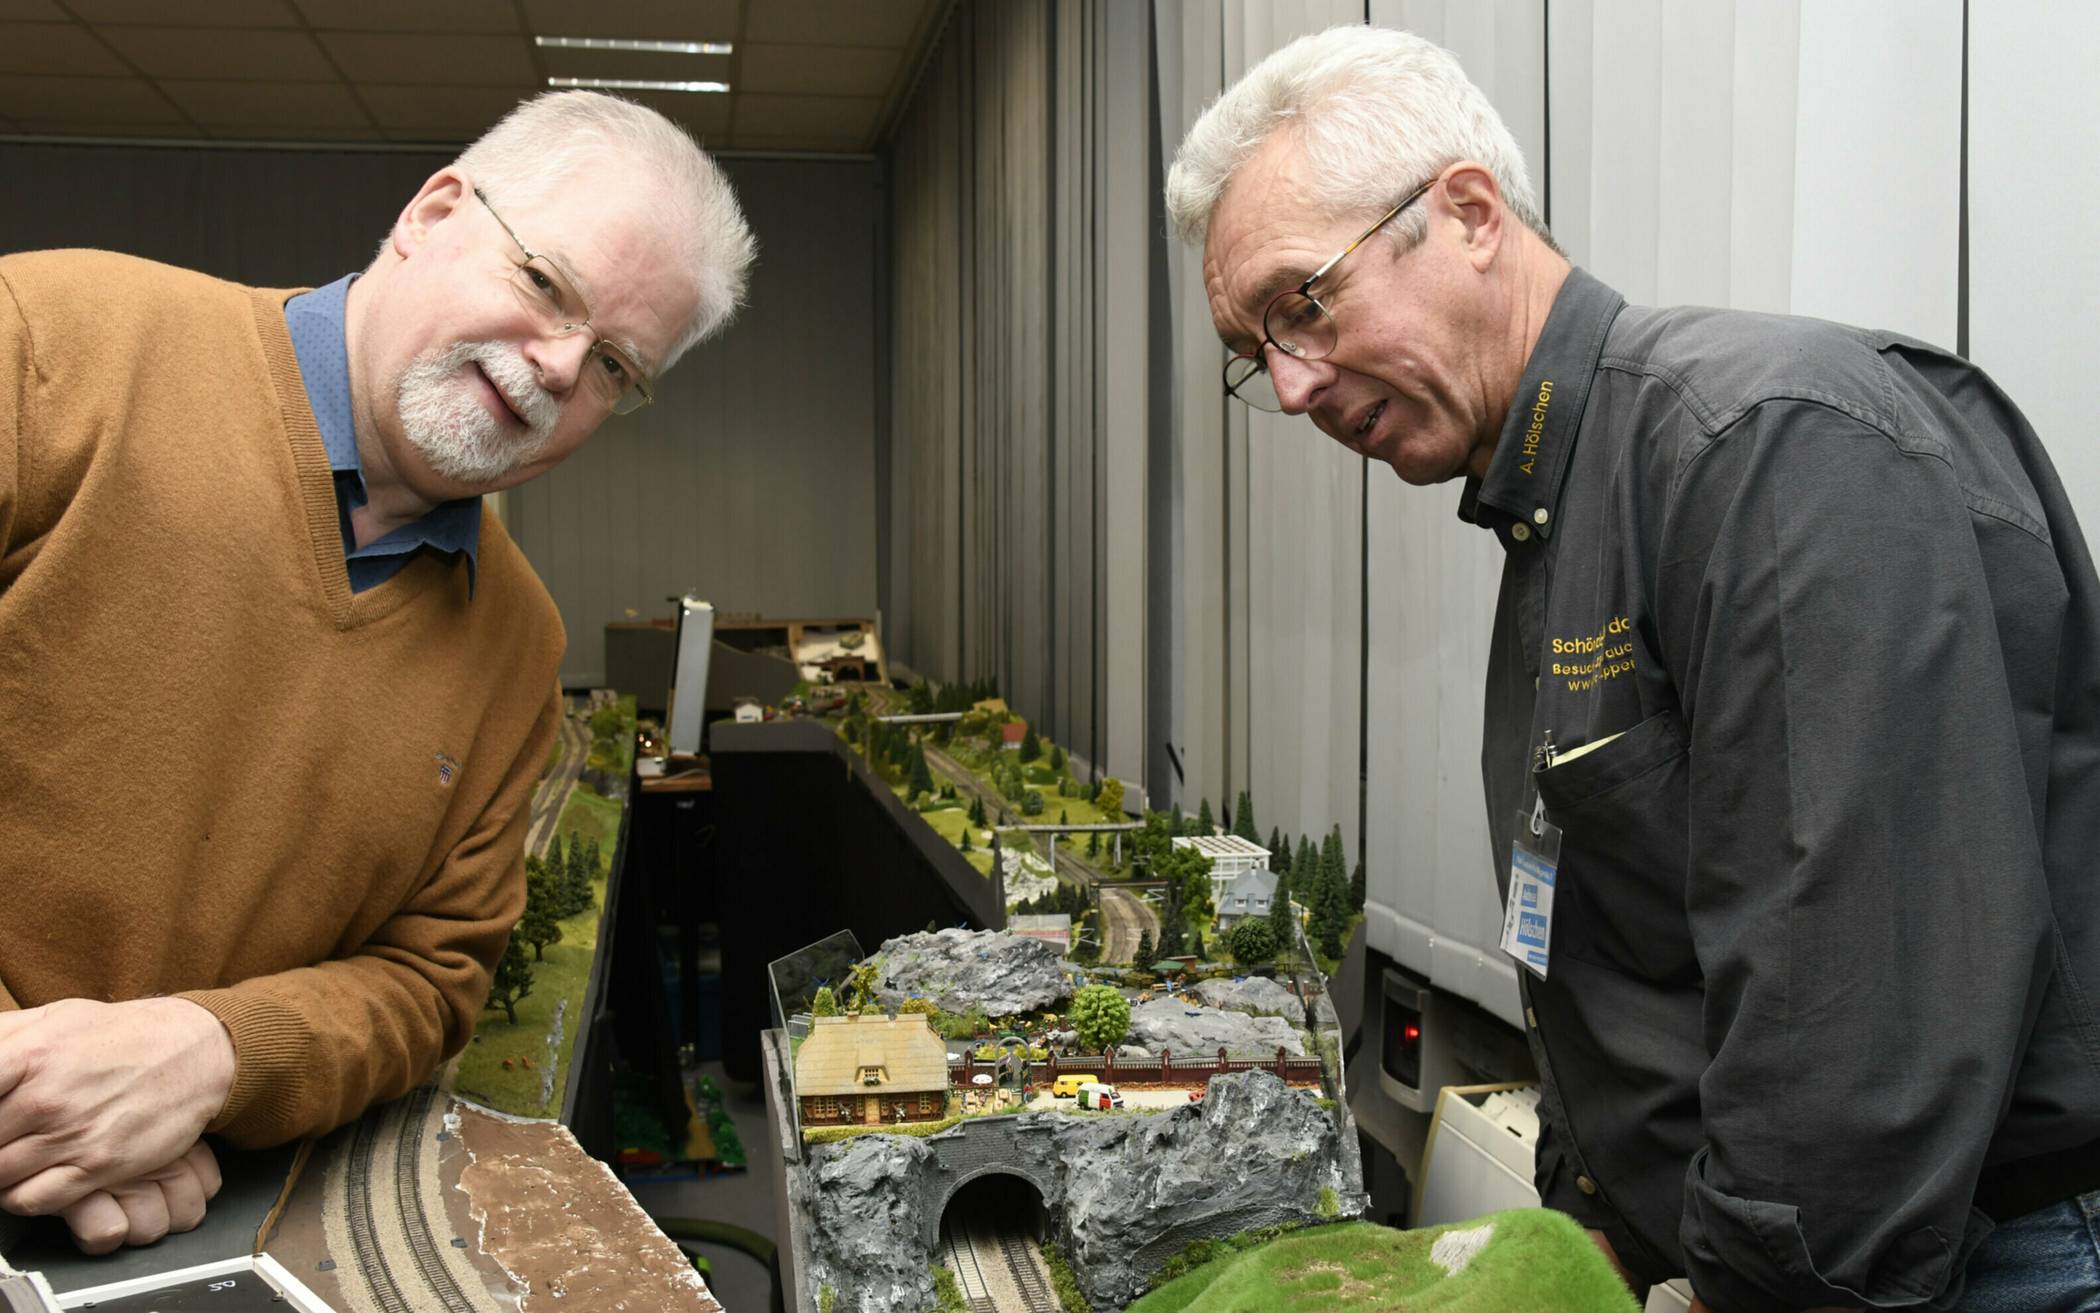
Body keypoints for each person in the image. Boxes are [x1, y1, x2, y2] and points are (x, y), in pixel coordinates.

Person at [1167, 25, 2100, 1313]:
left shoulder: (1764, 446)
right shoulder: (1563, 504)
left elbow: (1855, 1023)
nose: (1290, 385)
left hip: (1940, 1269)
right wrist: (1592, 1218)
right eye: (1253, 349)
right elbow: (1619, 953)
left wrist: (1732, 1288)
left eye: (1300, 304)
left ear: (1470, 214)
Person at [0, 91, 754, 1256]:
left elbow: (428, 980)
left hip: (172, 1232)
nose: (558, 366)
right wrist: (45, 1112)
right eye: (547, 284)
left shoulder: (517, 649)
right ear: (433, 210)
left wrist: (214, 1056)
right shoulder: (51, 341)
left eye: (613, 364)